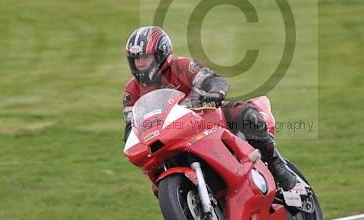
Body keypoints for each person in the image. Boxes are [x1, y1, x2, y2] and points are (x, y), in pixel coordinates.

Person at [121, 25, 297, 190]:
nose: (140, 64)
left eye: (145, 57)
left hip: (203, 119)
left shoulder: (182, 66)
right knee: (156, 177)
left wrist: (215, 93)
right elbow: (132, 125)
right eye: (136, 59)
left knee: (244, 114)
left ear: (161, 54)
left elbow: (213, 80)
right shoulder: (131, 91)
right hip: (167, 135)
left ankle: (276, 166)